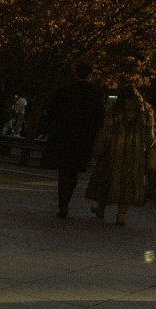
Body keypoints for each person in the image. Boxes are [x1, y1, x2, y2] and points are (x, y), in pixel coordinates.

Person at [85, 83, 156, 226]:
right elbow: (150, 135)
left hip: (113, 150)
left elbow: (106, 131)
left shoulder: (115, 110)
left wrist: (98, 148)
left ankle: (101, 208)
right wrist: (148, 146)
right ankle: (121, 216)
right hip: (135, 153)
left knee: (107, 179)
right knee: (129, 183)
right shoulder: (146, 111)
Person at [41, 64, 105, 218]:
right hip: (82, 139)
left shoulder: (64, 91)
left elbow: (51, 111)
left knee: (63, 171)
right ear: (90, 75)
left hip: (63, 137)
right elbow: (99, 118)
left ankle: (63, 203)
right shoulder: (95, 94)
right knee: (74, 170)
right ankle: (66, 198)